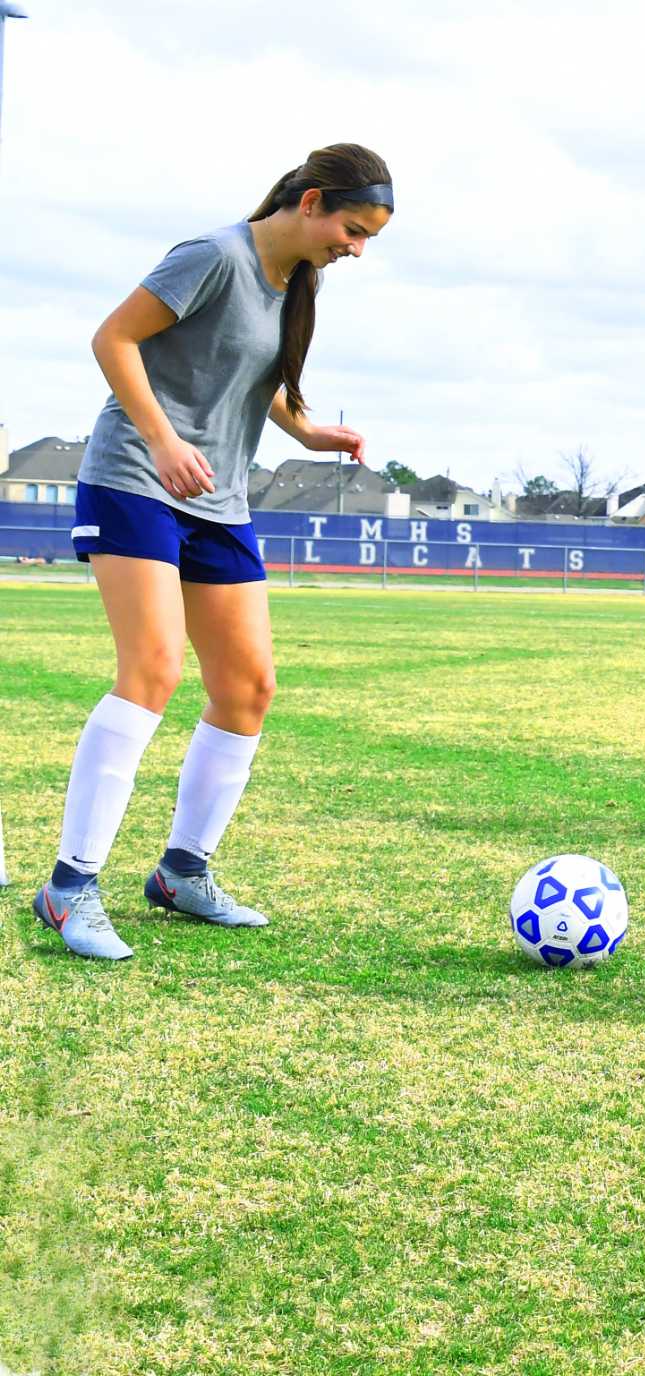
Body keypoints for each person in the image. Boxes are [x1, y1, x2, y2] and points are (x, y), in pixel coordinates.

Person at [32, 144, 394, 960]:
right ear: (310, 201)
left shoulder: (300, 279)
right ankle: (68, 887)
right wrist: (161, 441)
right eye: (353, 228)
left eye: (369, 237)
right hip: (136, 479)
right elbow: (114, 339)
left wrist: (306, 429)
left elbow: (243, 369)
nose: (356, 248)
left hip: (217, 501)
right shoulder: (214, 255)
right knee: (152, 671)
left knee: (248, 687)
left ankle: (181, 873)